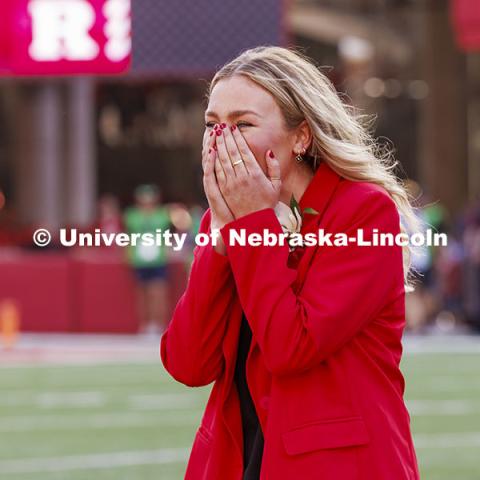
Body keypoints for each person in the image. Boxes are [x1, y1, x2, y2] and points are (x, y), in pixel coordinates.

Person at [160, 46, 421, 479]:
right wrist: (224, 239)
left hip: (338, 465)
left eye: (242, 124)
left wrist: (251, 227)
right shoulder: (225, 217)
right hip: (240, 457)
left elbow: (291, 348)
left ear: (301, 137)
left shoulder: (364, 211)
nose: (222, 139)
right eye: (212, 125)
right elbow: (188, 363)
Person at [124, 184, 172, 334]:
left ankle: (159, 324)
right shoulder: (132, 215)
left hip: (158, 260)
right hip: (139, 260)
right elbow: (130, 232)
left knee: (157, 293)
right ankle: (145, 325)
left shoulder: (162, 214)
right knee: (142, 294)